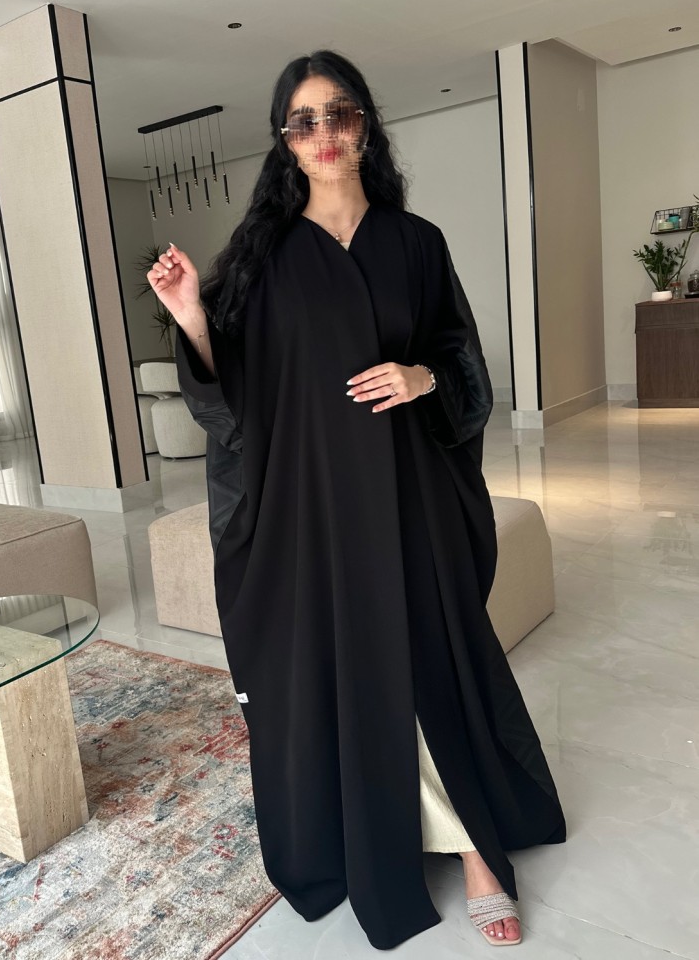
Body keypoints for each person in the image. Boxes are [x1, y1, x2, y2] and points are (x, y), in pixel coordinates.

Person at [147, 49, 566, 951]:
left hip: (412, 494)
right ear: (285, 141)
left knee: (427, 662)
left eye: (338, 114)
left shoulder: (414, 243)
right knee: (351, 671)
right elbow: (233, 399)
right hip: (315, 508)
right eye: (304, 121)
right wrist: (189, 315)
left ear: (364, 126)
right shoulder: (261, 258)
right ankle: (382, 831)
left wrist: (422, 377)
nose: (323, 133)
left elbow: (461, 358)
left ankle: (475, 849)